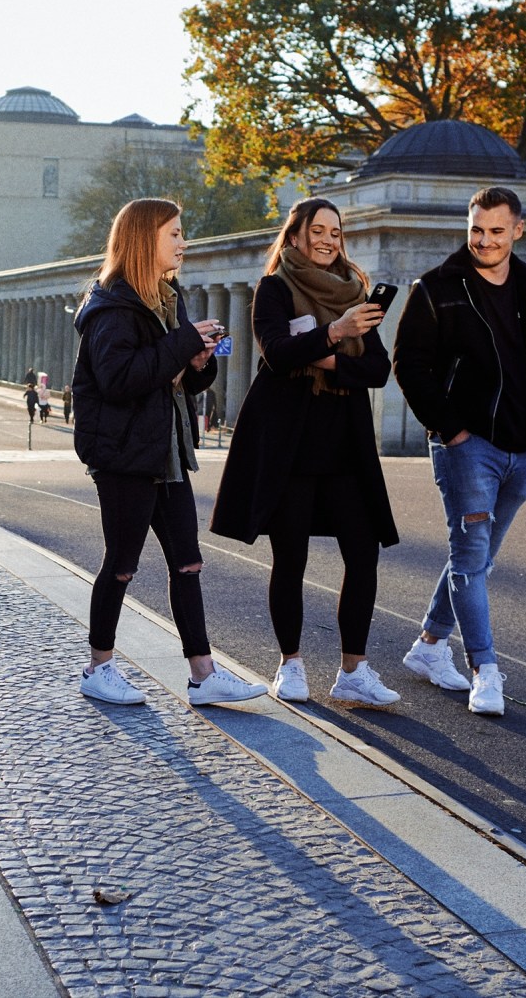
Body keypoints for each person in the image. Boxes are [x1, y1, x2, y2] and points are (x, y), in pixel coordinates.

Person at [71, 197, 266, 707]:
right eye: (174, 234)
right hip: (125, 454)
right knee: (121, 564)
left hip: (167, 450)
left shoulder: (167, 297)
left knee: (188, 564)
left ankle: (203, 675)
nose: (184, 243)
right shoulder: (110, 308)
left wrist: (199, 359)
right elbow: (118, 380)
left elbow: (173, 378)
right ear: (143, 239)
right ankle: (98, 667)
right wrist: (180, 347)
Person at [210, 197, 401, 707]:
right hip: (289, 443)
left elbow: (378, 371)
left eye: (336, 232)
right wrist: (336, 334)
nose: (328, 239)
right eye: (317, 229)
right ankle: (290, 663)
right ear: (294, 236)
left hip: (346, 443)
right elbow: (277, 353)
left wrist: (328, 356)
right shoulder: (274, 288)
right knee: (289, 557)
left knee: (364, 554)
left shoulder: (355, 293)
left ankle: (353, 670)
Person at [392, 186, 526, 716]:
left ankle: (428, 647)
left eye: (496, 230)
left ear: (518, 230)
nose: (484, 240)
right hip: (468, 446)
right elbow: (408, 366)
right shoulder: (437, 288)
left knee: (478, 559)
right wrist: (451, 430)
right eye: (476, 229)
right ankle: (485, 670)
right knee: (471, 559)